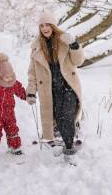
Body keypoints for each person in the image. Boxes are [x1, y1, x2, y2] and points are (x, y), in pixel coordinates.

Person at [26, 9, 85, 165]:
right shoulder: (36, 47)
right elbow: (32, 72)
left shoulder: (64, 40)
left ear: (53, 26)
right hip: (51, 90)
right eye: (42, 25)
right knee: (59, 119)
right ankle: (67, 140)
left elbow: (79, 61)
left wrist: (74, 44)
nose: (45, 28)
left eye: (48, 25)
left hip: (68, 86)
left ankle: (69, 149)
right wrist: (31, 91)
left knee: (66, 115)